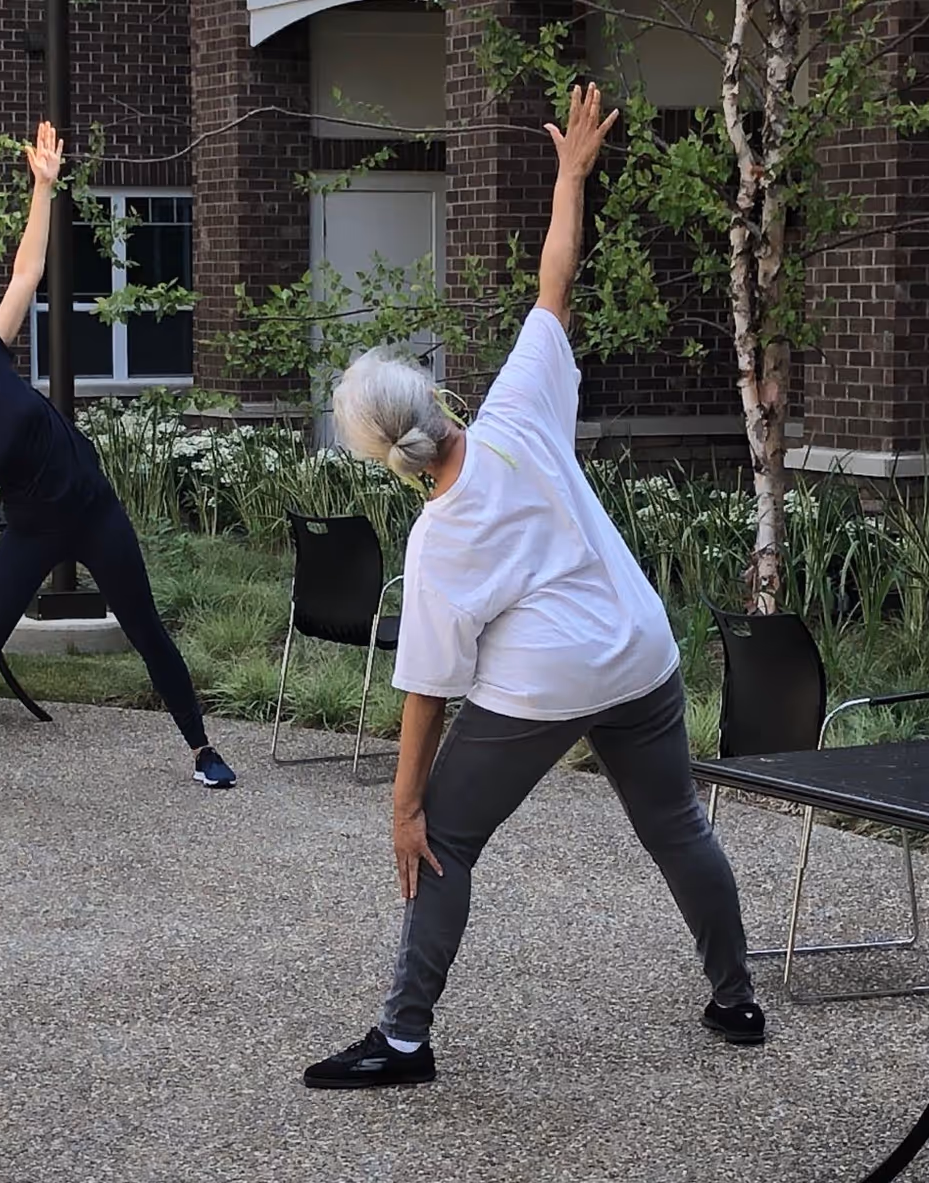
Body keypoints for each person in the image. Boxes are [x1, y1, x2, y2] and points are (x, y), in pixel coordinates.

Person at [302, 85, 761, 1090]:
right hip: (640, 651)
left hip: (549, 684)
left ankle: (404, 1041)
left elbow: (428, 691)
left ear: (389, 454)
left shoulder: (437, 538)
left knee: (449, 844)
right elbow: (556, 282)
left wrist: (405, 810)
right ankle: (736, 998)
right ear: (435, 397)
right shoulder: (517, 408)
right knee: (676, 825)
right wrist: (568, 174)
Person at [0, 120, 236, 812]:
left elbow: (26, 270)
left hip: (94, 511)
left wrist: (43, 187)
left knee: (145, 626)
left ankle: (202, 750)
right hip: (32, 534)